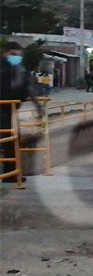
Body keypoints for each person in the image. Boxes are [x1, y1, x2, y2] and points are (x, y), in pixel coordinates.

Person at [1, 41, 38, 180]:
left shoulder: (16, 69)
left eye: (18, 56)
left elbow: (25, 88)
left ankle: (11, 175)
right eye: (13, 54)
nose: (16, 58)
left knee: (11, 142)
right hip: (4, 110)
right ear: (5, 52)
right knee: (9, 141)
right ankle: (10, 175)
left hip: (10, 111)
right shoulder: (6, 69)